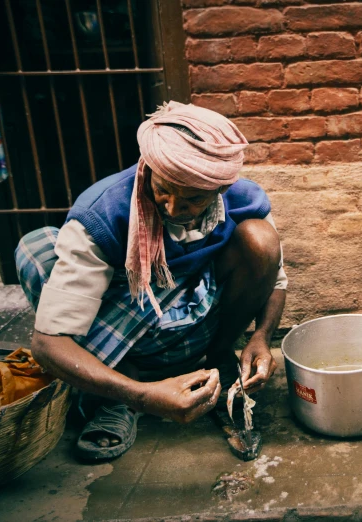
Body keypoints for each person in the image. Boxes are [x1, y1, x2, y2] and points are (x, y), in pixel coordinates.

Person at [15, 102, 287, 459]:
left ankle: (218, 356)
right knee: (36, 248)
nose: (173, 208)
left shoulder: (243, 199)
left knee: (261, 239)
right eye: (163, 190)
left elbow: (277, 281)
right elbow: (48, 344)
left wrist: (261, 337)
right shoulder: (103, 213)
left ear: (220, 189)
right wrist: (142, 396)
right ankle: (120, 389)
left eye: (193, 199)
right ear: (149, 168)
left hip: (197, 318)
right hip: (126, 313)